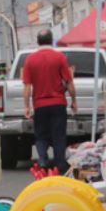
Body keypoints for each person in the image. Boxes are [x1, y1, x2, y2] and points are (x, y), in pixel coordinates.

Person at [22, 29, 77, 175]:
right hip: (58, 104)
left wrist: (27, 106)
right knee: (59, 136)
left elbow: (27, 87)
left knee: (40, 135)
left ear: (38, 41)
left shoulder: (30, 60)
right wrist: (74, 101)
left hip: (40, 105)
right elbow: (69, 82)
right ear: (51, 40)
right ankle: (60, 165)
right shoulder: (60, 58)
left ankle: (42, 159)